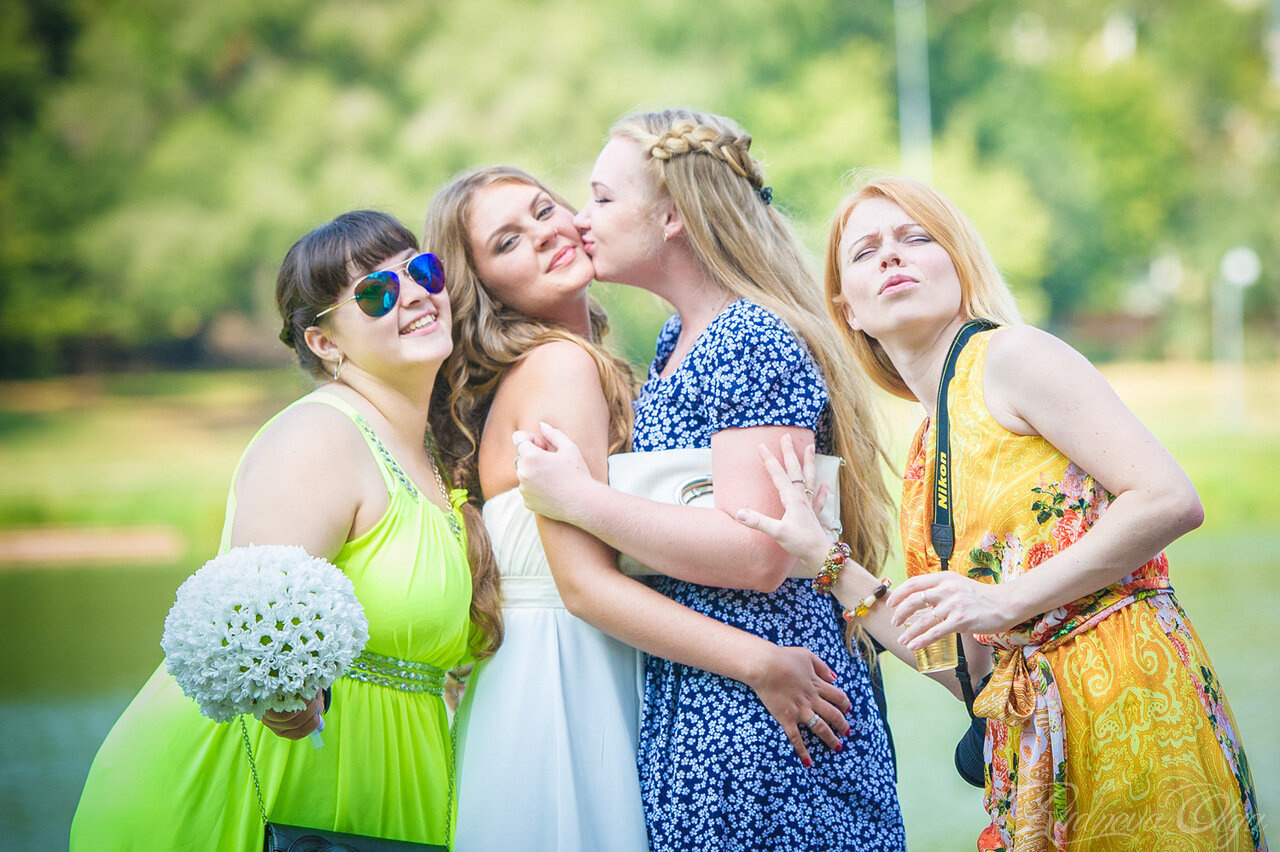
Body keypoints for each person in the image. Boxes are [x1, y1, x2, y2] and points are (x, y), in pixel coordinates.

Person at [745, 173, 1266, 851]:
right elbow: (962, 667)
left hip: (1133, 706)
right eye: (866, 251)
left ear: (959, 264)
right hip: (1034, 748)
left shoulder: (1012, 356)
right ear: (849, 312)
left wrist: (1005, 599)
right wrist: (825, 558)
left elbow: (1168, 498)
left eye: (914, 238)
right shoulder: (927, 445)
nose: (890, 255)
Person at [424, 166, 858, 851]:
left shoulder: (601, 361)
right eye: (507, 242)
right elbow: (584, 587)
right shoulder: (562, 368)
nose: (544, 234)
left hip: (591, 661)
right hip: (566, 676)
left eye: (544, 210)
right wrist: (760, 662)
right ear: (483, 288)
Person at [513, 110, 906, 851]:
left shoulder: (748, 335)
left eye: (602, 197)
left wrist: (579, 499)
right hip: (706, 692)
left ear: (671, 217)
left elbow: (759, 553)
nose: (580, 218)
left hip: (768, 716)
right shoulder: (678, 339)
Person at [70, 210, 501, 850]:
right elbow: (253, 624)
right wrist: (289, 696)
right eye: (377, 293)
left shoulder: (433, 454)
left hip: (378, 797)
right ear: (325, 343)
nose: (413, 293)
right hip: (247, 801)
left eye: (422, 271)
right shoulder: (321, 437)